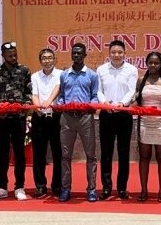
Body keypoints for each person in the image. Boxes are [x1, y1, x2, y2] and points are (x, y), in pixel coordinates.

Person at [0, 41, 32, 201]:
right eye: (10, 55)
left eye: (15, 54)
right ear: (3, 56)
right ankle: (1, 187)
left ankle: (19, 187)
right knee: (1, 154)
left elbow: (28, 93)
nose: (13, 57)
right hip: (1, 120)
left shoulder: (24, 70)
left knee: (19, 154)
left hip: (18, 119)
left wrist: (24, 107)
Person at [56, 42, 100, 202]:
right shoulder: (64, 75)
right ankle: (66, 189)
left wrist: (91, 105)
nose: (76, 56)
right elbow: (61, 96)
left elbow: (94, 95)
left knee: (91, 155)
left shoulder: (92, 75)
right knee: (66, 156)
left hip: (85, 118)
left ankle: (92, 189)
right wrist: (60, 104)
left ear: (85, 55)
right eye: (74, 53)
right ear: (71, 54)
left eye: (79, 53)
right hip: (67, 118)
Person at [96, 40, 138, 200]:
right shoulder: (101, 70)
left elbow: (132, 90)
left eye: (120, 52)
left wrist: (122, 104)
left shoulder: (131, 70)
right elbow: (98, 90)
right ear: (109, 53)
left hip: (124, 114)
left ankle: (122, 188)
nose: (116, 55)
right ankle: (106, 187)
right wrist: (105, 103)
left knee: (123, 152)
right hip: (106, 113)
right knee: (106, 153)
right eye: (113, 52)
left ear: (125, 53)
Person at [134, 52, 161, 203]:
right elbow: (136, 100)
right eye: (150, 62)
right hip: (144, 123)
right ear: (146, 63)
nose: (153, 65)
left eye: (156, 63)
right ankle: (144, 191)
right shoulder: (140, 80)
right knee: (144, 158)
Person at [30, 48, 63, 198]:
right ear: (40, 60)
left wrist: (48, 103)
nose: (47, 60)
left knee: (58, 153)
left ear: (55, 59)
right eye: (44, 58)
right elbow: (34, 94)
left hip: (56, 117)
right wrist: (37, 107)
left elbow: (58, 89)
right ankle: (40, 186)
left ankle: (57, 185)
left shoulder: (61, 75)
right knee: (39, 154)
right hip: (39, 117)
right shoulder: (35, 76)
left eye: (50, 57)